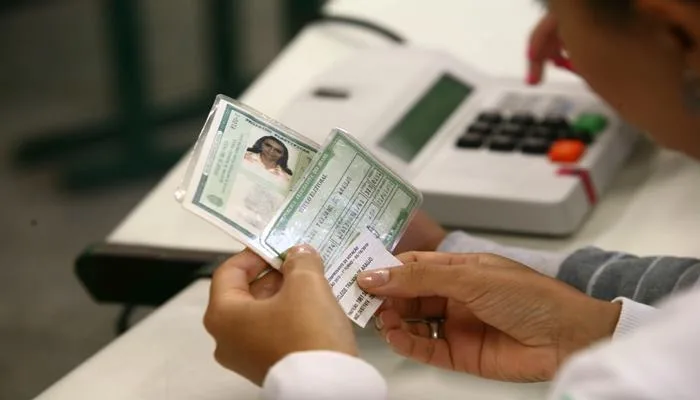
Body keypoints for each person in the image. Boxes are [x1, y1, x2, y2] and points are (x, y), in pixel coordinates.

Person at [204, 0, 700, 398]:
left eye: (561, 18)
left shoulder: (637, 379)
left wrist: (311, 371)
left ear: (676, 34)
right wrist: (595, 329)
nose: (553, 43)